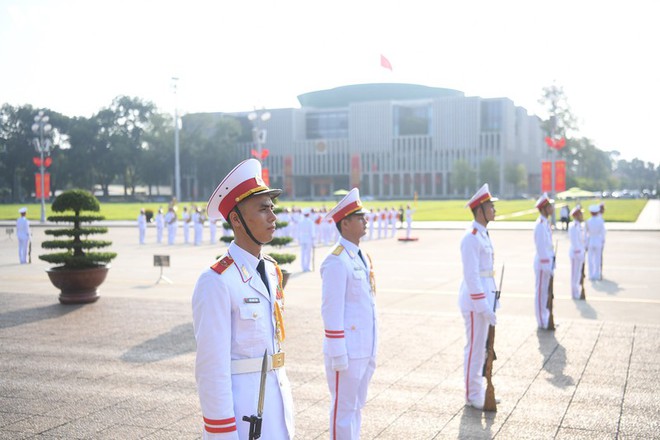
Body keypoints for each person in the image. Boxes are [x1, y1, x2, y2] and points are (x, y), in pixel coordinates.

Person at [192, 158, 294, 439]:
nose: (273, 216)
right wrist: (222, 432)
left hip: (277, 405)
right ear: (236, 219)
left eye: (271, 208)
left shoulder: (271, 270)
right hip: (243, 414)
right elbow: (211, 369)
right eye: (263, 210)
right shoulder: (216, 281)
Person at [320, 188, 377, 439]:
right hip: (347, 350)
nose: (365, 221)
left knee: (356, 406)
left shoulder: (361, 255)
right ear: (345, 223)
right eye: (360, 218)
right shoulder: (336, 261)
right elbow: (330, 311)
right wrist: (337, 352)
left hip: (365, 345)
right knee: (343, 409)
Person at [459, 184, 498, 410]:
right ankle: (472, 394)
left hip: (485, 298)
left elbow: (486, 272)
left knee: (484, 348)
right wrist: (483, 306)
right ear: (480, 210)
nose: (494, 210)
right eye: (490, 206)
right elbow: (472, 276)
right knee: (474, 348)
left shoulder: (483, 234)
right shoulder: (471, 237)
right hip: (475, 303)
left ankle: (480, 389)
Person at [534, 193, 555, 330]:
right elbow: (541, 248)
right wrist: (547, 265)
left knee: (546, 293)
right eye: (549, 206)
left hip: (548, 263)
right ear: (543, 208)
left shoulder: (545, 223)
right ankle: (541, 320)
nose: (552, 208)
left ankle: (546, 316)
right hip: (543, 264)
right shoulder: (540, 225)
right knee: (541, 293)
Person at [568, 205, 587, 299]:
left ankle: (577, 291)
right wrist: (579, 253)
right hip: (576, 253)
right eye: (580, 214)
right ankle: (574, 293)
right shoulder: (573, 226)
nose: (582, 216)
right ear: (576, 216)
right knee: (575, 275)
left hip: (580, 253)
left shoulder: (580, 225)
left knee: (578, 274)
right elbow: (575, 242)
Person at [586, 204, 606, 280]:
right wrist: (603, 241)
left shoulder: (588, 221)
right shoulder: (600, 221)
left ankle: (591, 275)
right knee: (597, 258)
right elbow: (603, 232)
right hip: (598, 240)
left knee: (590, 259)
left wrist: (586, 243)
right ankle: (597, 274)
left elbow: (586, 232)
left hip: (591, 239)